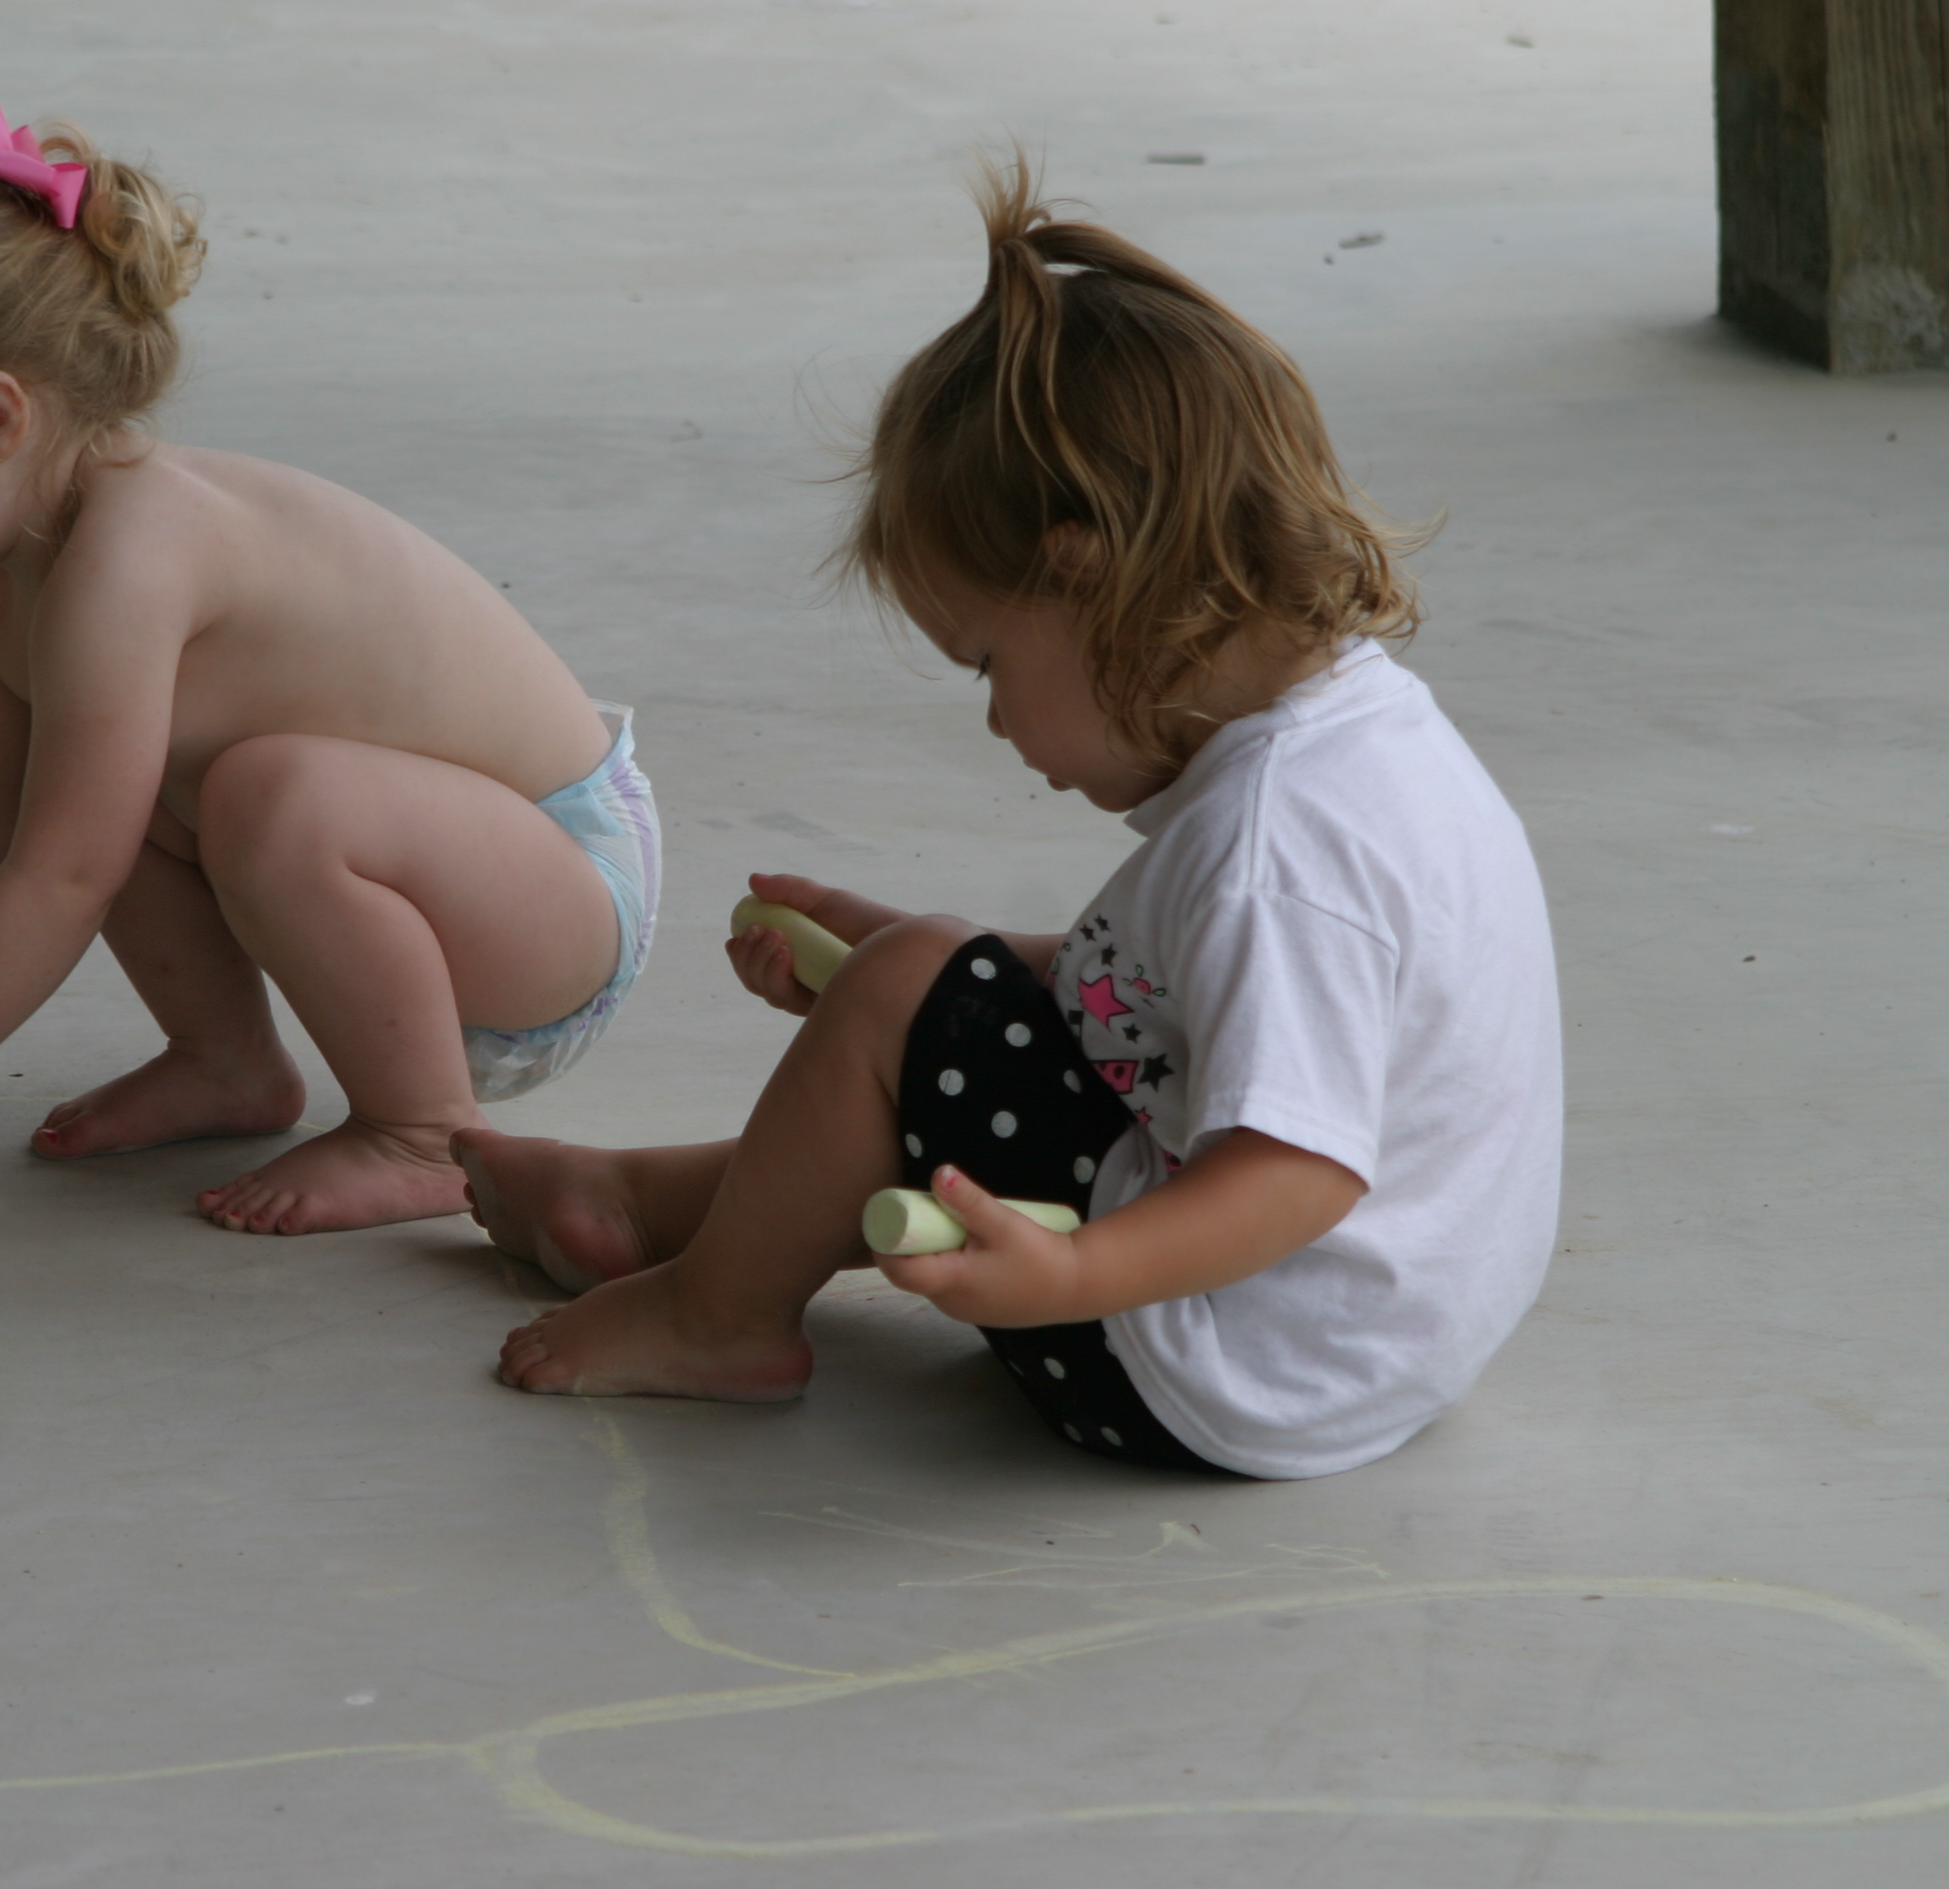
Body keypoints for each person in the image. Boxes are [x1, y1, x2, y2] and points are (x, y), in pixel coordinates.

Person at [461, 166, 1558, 1478]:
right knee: (916, 981)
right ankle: (636, 1205)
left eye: (986, 662)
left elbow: (1296, 1173)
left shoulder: (1277, 850)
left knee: (917, 986)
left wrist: (1077, 1269)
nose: (991, 720)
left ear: (1087, 574)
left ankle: (718, 1316)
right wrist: (905, 968)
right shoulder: (1371, 746)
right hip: (1363, 1342)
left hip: (1199, 1367)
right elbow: (1193, 997)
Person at [0, 105, 659, 1234]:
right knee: (103, 784)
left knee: (263, 797)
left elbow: (59, 880)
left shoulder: (134, 559)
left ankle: (424, 1130)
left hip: (558, 895)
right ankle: (227, 1061)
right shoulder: (11, 586)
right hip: (449, 882)